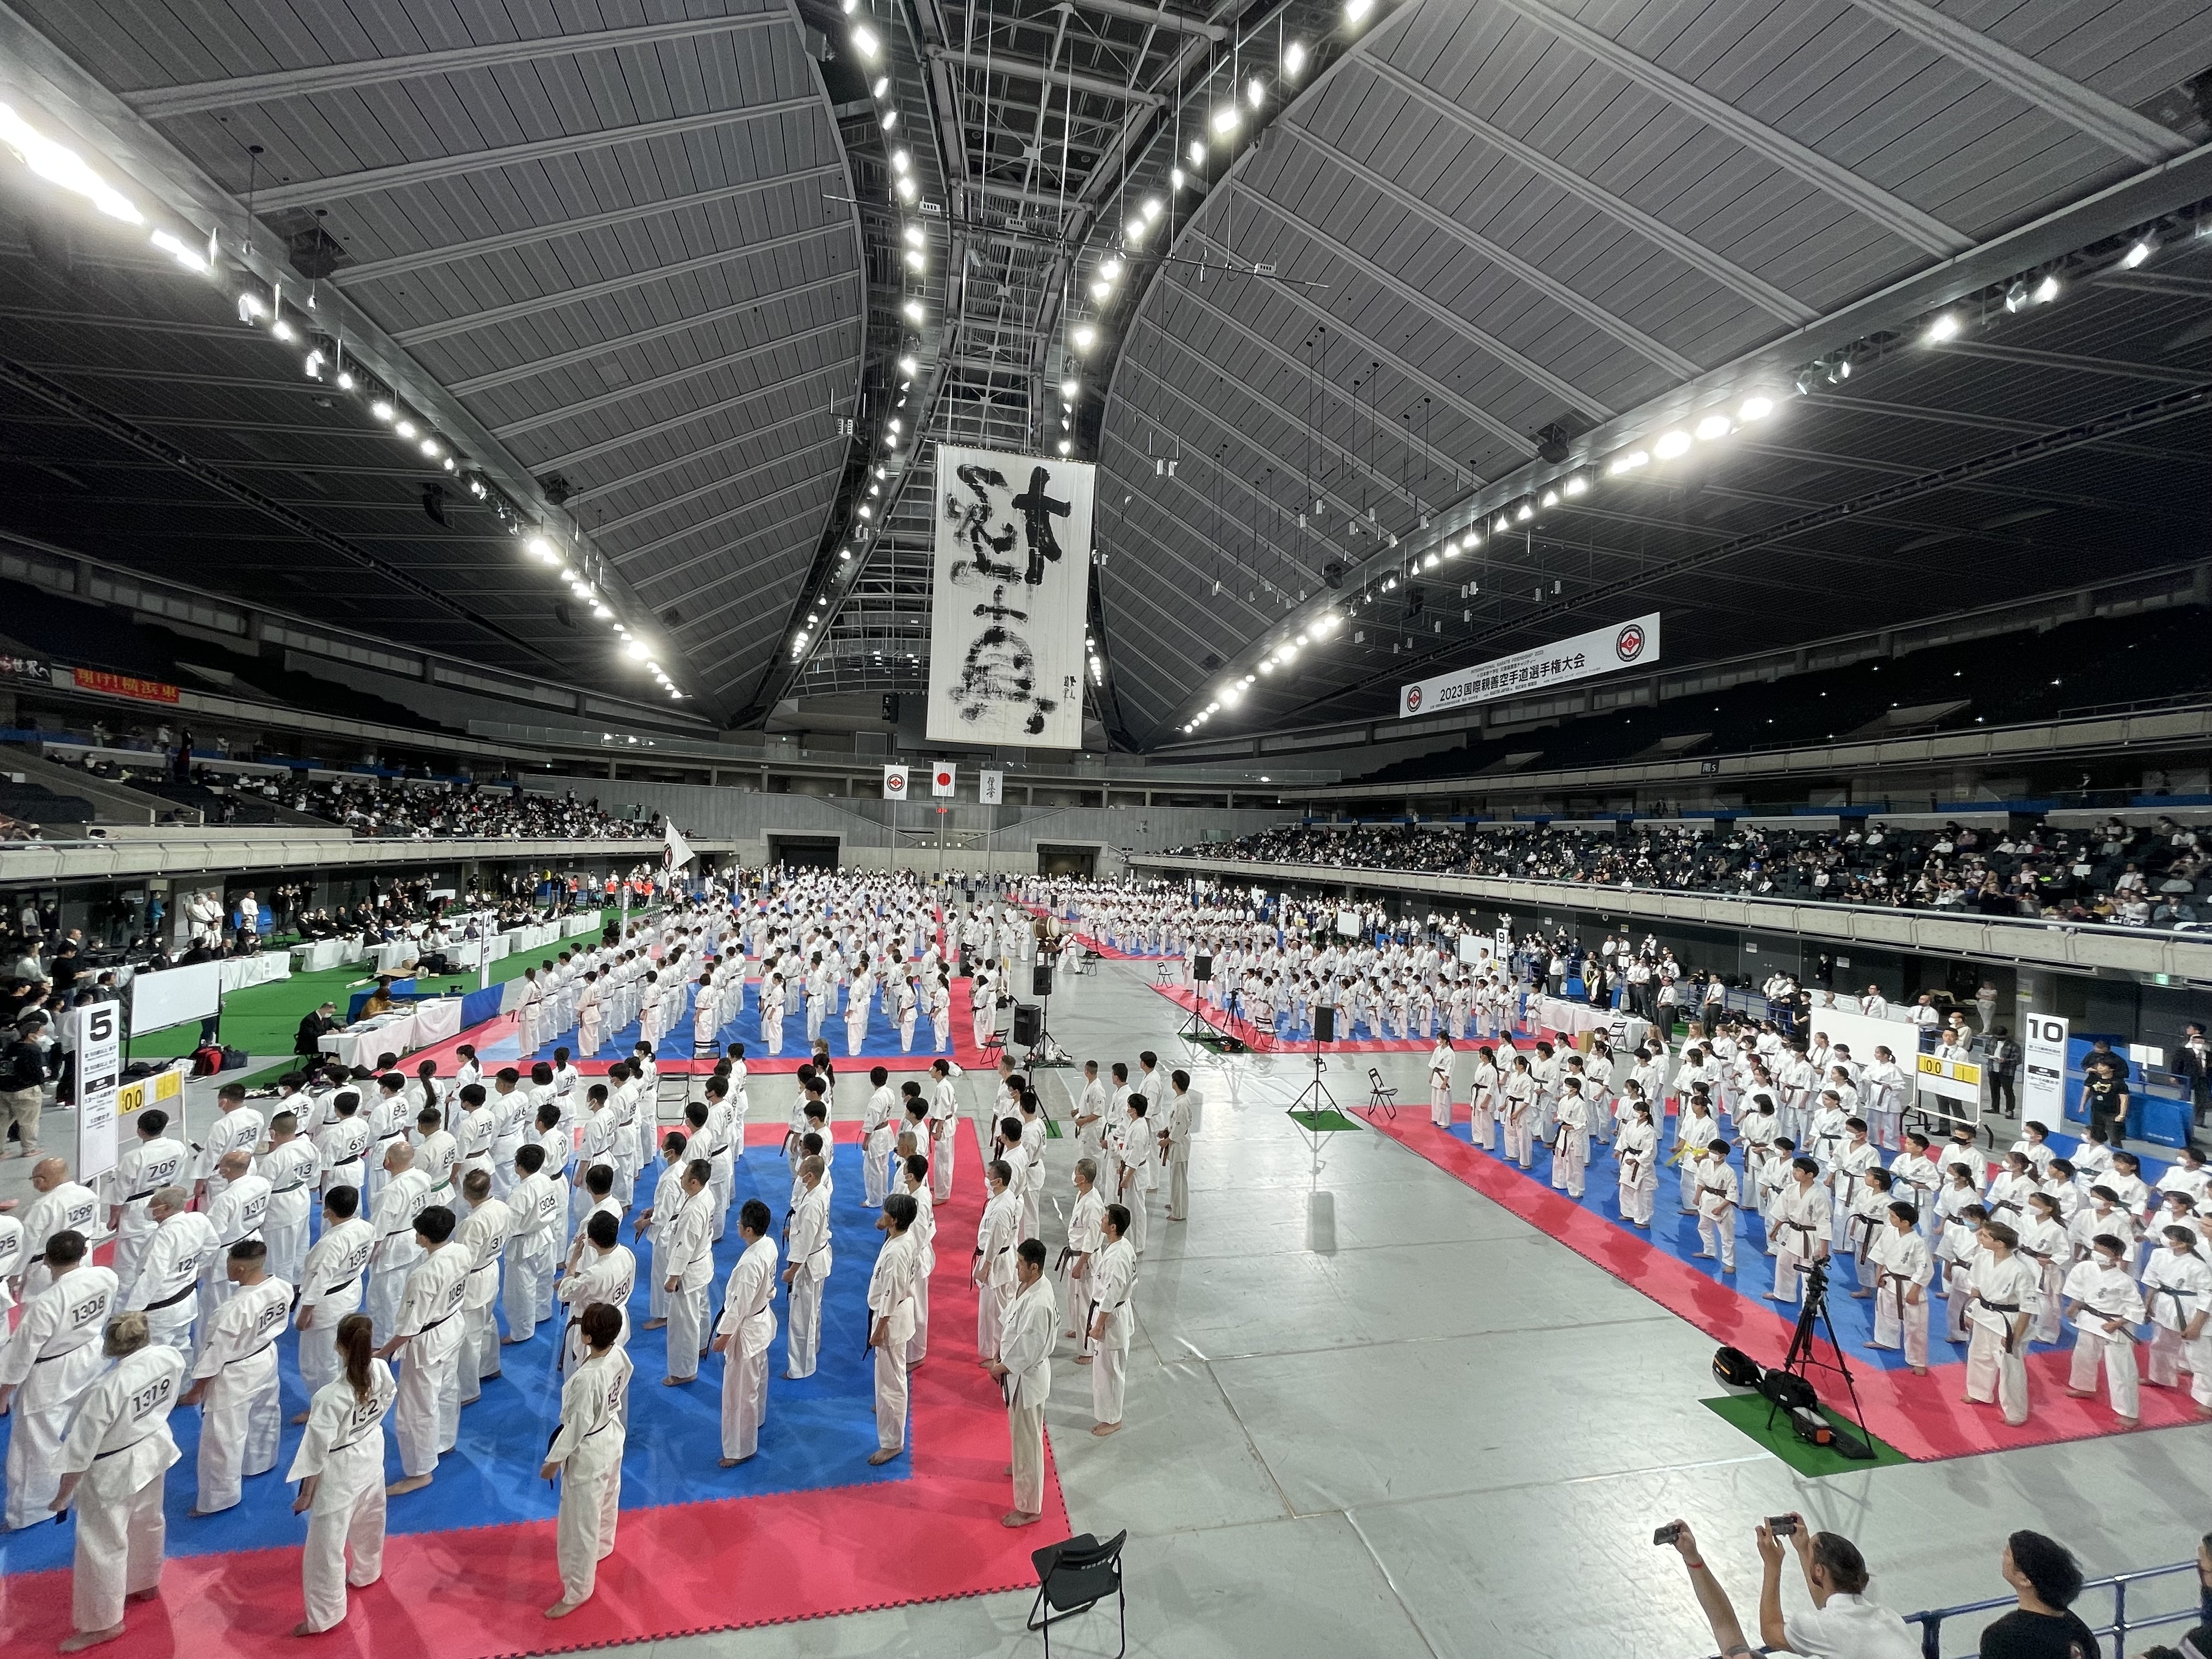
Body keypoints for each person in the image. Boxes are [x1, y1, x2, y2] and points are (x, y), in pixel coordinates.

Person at [50, 1311, 185, 1654]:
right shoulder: (170, 1357)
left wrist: (63, 1495)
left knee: (102, 1544)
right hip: (153, 1448)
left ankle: (103, 1623)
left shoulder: (105, 1389)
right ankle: (145, 1582)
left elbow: (79, 1453)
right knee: (148, 1521)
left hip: (112, 1469)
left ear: (110, 1346)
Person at [286, 1311, 395, 1635]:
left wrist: (307, 1494)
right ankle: (367, 1571)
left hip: (340, 1468)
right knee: (370, 1517)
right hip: (371, 1451)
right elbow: (388, 1398)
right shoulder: (382, 1370)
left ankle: (325, 1615)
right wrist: (368, 1426)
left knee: (326, 1547)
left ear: (338, 1346)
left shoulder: (330, 1397)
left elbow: (316, 1452)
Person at [2, 1229, 116, 1530]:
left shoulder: (46, 1303)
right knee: (81, 1429)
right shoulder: (106, 1277)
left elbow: (22, 1356)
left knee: (35, 1445)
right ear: (84, 1253)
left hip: (51, 1374)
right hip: (91, 1357)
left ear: (47, 1260)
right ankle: (77, 1484)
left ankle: (31, 1512)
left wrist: (5, 1392)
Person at [181, 1238, 292, 1516]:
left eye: (229, 1263)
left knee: (223, 1436)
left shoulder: (233, 1310)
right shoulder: (282, 1286)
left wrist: (198, 1390)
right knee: (264, 1412)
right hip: (265, 1356)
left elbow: (214, 1356)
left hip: (236, 1370)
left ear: (240, 1269)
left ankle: (219, 1498)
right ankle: (260, 1461)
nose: (226, 1268)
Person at [541, 1302, 631, 1619]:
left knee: (578, 1525)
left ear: (586, 1336)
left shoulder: (586, 1379)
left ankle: (577, 1591)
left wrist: (553, 1462)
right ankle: (604, 1545)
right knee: (608, 1499)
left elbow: (575, 1427)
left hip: (589, 1450)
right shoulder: (618, 1354)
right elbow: (625, 1381)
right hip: (611, 1435)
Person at [379, 1203, 467, 1496]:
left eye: (418, 1233)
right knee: (447, 1389)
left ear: (425, 1238)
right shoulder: (461, 1251)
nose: (415, 1237)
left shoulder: (424, 1275)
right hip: (452, 1326)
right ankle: (444, 1440)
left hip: (427, 1341)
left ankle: (420, 1472)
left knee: (416, 1407)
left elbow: (408, 1327)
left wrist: (384, 1352)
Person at [1748, 1515, 1916, 1657]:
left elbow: (1771, 1633)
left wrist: (1772, 1565)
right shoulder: (1890, 1617)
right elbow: (1828, 1604)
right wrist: (1804, 1549)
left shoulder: (1820, 1627)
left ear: (1819, 1571)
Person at [986, 1238, 1054, 1528]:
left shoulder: (1039, 1304)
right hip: (1018, 1376)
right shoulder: (1029, 1286)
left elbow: (1027, 1348)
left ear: (1034, 1267)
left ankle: (1030, 1509)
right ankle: (1021, 1466)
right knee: (1021, 1434)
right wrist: (1000, 1352)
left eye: (1021, 1264)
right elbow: (1013, 1325)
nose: (1016, 1266)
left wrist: (1000, 1366)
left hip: (1026, 1379)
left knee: (1029, 1442)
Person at [712, 1198, 777, 1467]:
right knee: (757, 1379)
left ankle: (741, 1449)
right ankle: (757, 1421)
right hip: (760, 1321)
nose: (737, 1225)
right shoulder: (769, 1244)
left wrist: (724, 1336)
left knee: (738, 1393)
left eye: (740, 1223)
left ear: (749, 1230)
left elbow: (738, 1306)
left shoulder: (749, 1264)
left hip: (746, 1328)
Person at [2061, 1231, 2146, 1423]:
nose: (2097, 1254)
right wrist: (2074, 1306)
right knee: (2083, 1356)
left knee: (2121, 1369)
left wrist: (2117, 1323)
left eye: (2103, 1251)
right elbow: (2078, 1290)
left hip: (2114, 1324)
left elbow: (2136, 1308)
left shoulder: (2125, 1281)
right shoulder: (2085, 1268)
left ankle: (2129, 1413)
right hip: (2089, 1319)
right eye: (2096, 1249)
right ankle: (2084, 1386)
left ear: (2116, 1257)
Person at [1978, 1531, 2100, 1659]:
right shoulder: (2078, 1629)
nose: (2003, 1555)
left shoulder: (2003, 1637)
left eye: (2008, 1554)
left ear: (2025, 1579)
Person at [1964, 1220, 2039, 1426]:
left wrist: (2016, 1335)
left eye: (1985, 1236)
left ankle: (2016, 1412)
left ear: (2000, 1243)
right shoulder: (1982, 1259)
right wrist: (1970, 1311)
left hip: (2008, 1321)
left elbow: (2028, 1307)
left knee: (2010, 1369)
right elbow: (1976, 1288)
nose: (1980, 1237)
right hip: (1984, 1314)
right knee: (1978, 1355)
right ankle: (1979, 1392)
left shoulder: (2020, 1270)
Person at [866, 1192, 922, 1465]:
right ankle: (886, 1409)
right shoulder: (904, 1236)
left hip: (891, 1317)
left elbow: (891, 1292)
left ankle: (892, 1442)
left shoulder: (899, 1251)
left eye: (886, 1212)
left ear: (895, 1219)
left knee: (893, 1382)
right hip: (894, 1313)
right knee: (889, 1376)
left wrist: (879, 1328)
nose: (882, 1214)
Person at [658, 1159, 715, 1385]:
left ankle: (684, 1372)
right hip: (702, 1264)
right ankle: (702, 1345)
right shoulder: (706, 1195)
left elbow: (685, 1245)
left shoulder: (693, 1210)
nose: (681, 1178)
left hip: (689, 1270)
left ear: (694, 1182)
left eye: (684, 1177)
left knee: (683, 1323)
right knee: (701, 1310)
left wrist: (673, 1277)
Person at [1088, 1203, 1137, 1435]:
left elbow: (1111, 1295)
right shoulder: (1122, 1245)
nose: (1102, 1219)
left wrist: (1099, 1326)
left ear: (1113, 1226)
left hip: (1112, 1318)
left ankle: (1114, 1420)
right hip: (1115, 1312)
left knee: (1112, 1371)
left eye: (1105, 1217)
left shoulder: (1117, 1258)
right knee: (1105, 1370)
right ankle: (1109, 1414)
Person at [782, 1153, 831, 1379]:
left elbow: (806, 1241)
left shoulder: (812, 1202)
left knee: (801, 1318)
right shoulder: (820, 1191)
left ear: (810, 1176)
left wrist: (792, 1270)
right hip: (818, 1256)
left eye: (801, 1171)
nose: (798, 1173)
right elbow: (808, 1231)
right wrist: (792, 1231)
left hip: (809, 1263)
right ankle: (814, 1348)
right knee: (813, 1311)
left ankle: (801, 1368)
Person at [974, 1157, 1020, 1359]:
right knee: (995, 1308)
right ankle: (995, 1351)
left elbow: (996, 1239)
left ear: (999, 1181)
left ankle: (997, 1354)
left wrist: (986, 1265)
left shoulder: (1002, 1207)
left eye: (989, 1176)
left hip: (997, 1261)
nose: (986, 1178)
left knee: (994, 1312)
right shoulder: (1006, 1196)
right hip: (1002, 1257)